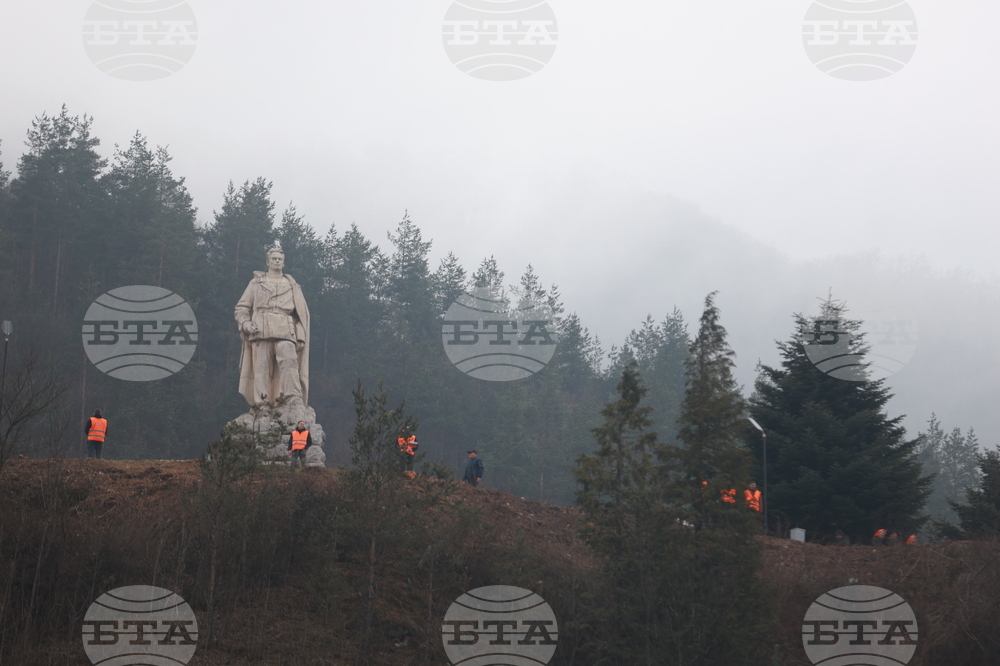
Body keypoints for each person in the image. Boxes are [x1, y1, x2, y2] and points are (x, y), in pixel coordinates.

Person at [234, 247, 310, 408]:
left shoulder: (292, 285)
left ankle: (293, 396)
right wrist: (246, 323)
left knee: (289, 361)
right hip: (260, 329)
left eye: (280, 259)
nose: (277, 261)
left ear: (283, 263)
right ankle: (261, 402)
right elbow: (242, 308)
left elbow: (301, 315)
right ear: (267, 262)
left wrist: (301, 335)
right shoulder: (256, 283)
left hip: (285, 328)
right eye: (274, 258)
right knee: (261, 368)